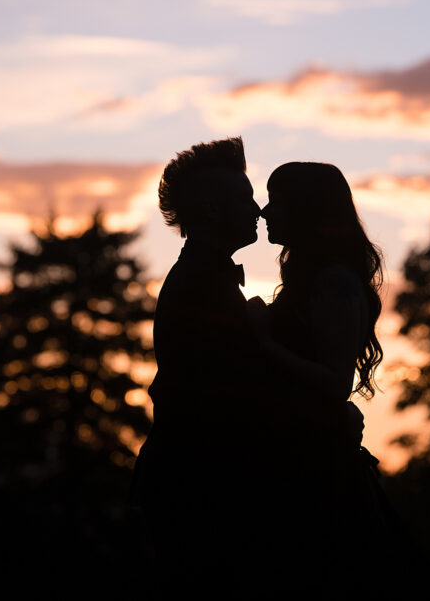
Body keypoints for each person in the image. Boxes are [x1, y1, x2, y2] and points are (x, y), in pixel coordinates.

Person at [130, 138, 363, 596]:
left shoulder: (212, 281)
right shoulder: (201, 287)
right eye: (245, 198)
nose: (258, 210)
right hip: (204, 495)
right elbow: (225, 395)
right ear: (214, 211)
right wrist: (332, 416)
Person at [245, 161, 416, 593]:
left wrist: (263, 343)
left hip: (318, 474)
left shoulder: (335, 282)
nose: (265, 212)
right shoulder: (316, 279)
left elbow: (333, 382)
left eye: (277, 201)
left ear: (306, 208)